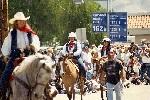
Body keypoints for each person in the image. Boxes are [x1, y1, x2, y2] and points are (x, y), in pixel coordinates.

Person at [0, 12, 40, 98]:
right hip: (15, 58)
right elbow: (6, 46)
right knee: (4, 76)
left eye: (23, 21)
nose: (21, 22)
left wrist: (33, 46)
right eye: (19, 21)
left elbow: (36, 42)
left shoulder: (30, 33)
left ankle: (46, 92)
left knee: (41, 73)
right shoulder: (12, 33)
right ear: (16, 22)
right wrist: (6, 54)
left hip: (29, 57)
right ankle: (3, 95)